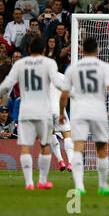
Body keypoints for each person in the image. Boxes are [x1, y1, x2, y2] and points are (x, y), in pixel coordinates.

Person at [59, 36, 109, 195]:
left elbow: (64, 94)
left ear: (81, 50)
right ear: (97, 50)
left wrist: (61, 112)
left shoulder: (73, 68)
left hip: (79, 110)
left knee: (78, 148)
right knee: (101, 148)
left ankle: (79, 187)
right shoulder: (104, 66)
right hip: (98, 110)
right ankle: (103, 186)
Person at [0, 36, 64, 190]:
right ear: (43, 50)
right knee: (45, 145)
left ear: (28, 49)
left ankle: (29, 183)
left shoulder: (20, 64)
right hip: (44, 111)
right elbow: (59, 83)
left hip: (26, 111)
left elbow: (6, 86)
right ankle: (42, 181)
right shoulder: (49, 63)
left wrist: (2, 98)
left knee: (25, 147)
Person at [48, 72, 73, 172]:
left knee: (51, 134)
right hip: (59, 109)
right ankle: (70, 162)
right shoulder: (62, 77)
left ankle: (60, 161)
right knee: (67, 135)